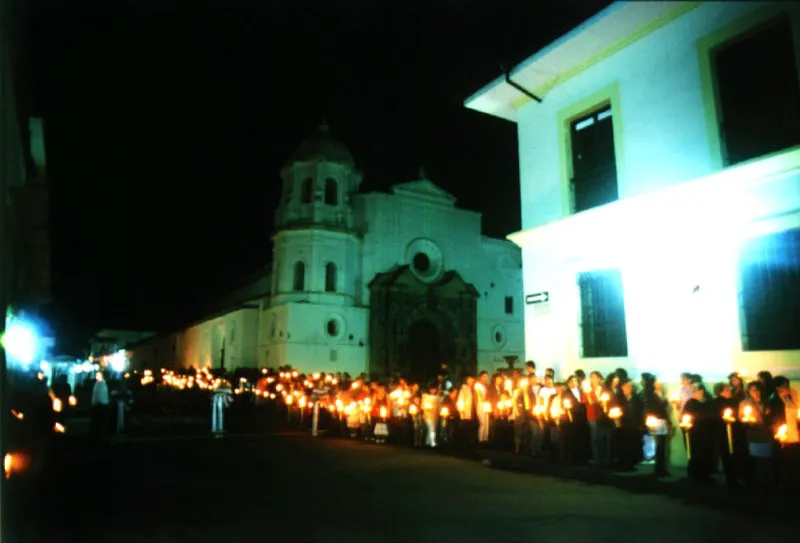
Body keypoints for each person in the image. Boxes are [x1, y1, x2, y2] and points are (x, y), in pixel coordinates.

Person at [90, 371, 110, 442]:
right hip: (98, 406)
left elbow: (100, 396)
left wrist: (96, 403)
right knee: (98, 422)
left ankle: (100, 437)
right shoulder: (98, 383)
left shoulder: (101, 384)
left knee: (100, 422)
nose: (96, 376)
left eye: (98, 375)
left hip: (100, 406)